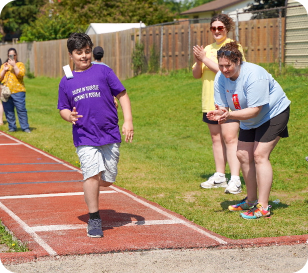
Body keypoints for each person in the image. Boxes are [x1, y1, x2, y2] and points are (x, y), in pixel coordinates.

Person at [58, 33, 134, 237]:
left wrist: (128, 121)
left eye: (87, 51)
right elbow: (63, 107)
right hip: (85, 136)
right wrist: (69, 116)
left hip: (109, 133)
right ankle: (94, 218)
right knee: (92, 174)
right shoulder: (66, 80)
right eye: (79, 53)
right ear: (71, 54)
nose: (84, 56)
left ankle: (89, 183)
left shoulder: (104, 71)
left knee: (107, 179)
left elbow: (123, 95)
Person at [207, 41, 291, 219]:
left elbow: (255, 109)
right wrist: (220, 113)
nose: (224, 70)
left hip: (273, 113)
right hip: (248, 117)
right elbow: (223, 106)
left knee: (260, 154)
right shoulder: (220, 78)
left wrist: (229, 115)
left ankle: (263, 207)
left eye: (227, 66)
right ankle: (251, 201)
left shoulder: (254, 74)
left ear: (237, 61)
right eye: (221, 66)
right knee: (243, 155)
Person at [192, 14, 246, 194]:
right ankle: (220, 176)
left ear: (226, 28)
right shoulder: (207, 48)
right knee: (216, 139)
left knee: (230, 139)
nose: (216, 31)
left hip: (228, 101)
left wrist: (205, 59)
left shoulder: (233, 46)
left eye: (220, 28)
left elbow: (226, 71)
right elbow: (196, 75)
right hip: (209, 100)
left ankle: (235, 179)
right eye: (213, 28)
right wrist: (199, 60)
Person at [0, 48, 30, 133]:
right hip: (5, 91)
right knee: (8, 110)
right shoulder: (4, 65)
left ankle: (25, 127)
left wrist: (14, 65)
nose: (12, 57)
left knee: (21, 109)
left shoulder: (20, 64)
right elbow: (0, 77)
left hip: (18, 91)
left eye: (13, 55)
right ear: (8, 56)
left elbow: (20, 75)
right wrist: (4, 70)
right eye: (10, 55)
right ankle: (12, 127)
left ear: (16, 55)